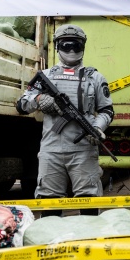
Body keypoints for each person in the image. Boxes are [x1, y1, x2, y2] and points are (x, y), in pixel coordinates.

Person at [16, 24, 114, 216]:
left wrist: (98, 128)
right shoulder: (46, 77)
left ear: (83, 47)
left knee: (88, 201)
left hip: (84, 148)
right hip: (52, 149)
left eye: (75, 45)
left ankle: (88, 243)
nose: (71, 50)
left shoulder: (95, 77)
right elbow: (21, 105)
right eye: (66, 44)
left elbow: (106, 110)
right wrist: (38, 99)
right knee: (49, 201)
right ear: (58, 46)